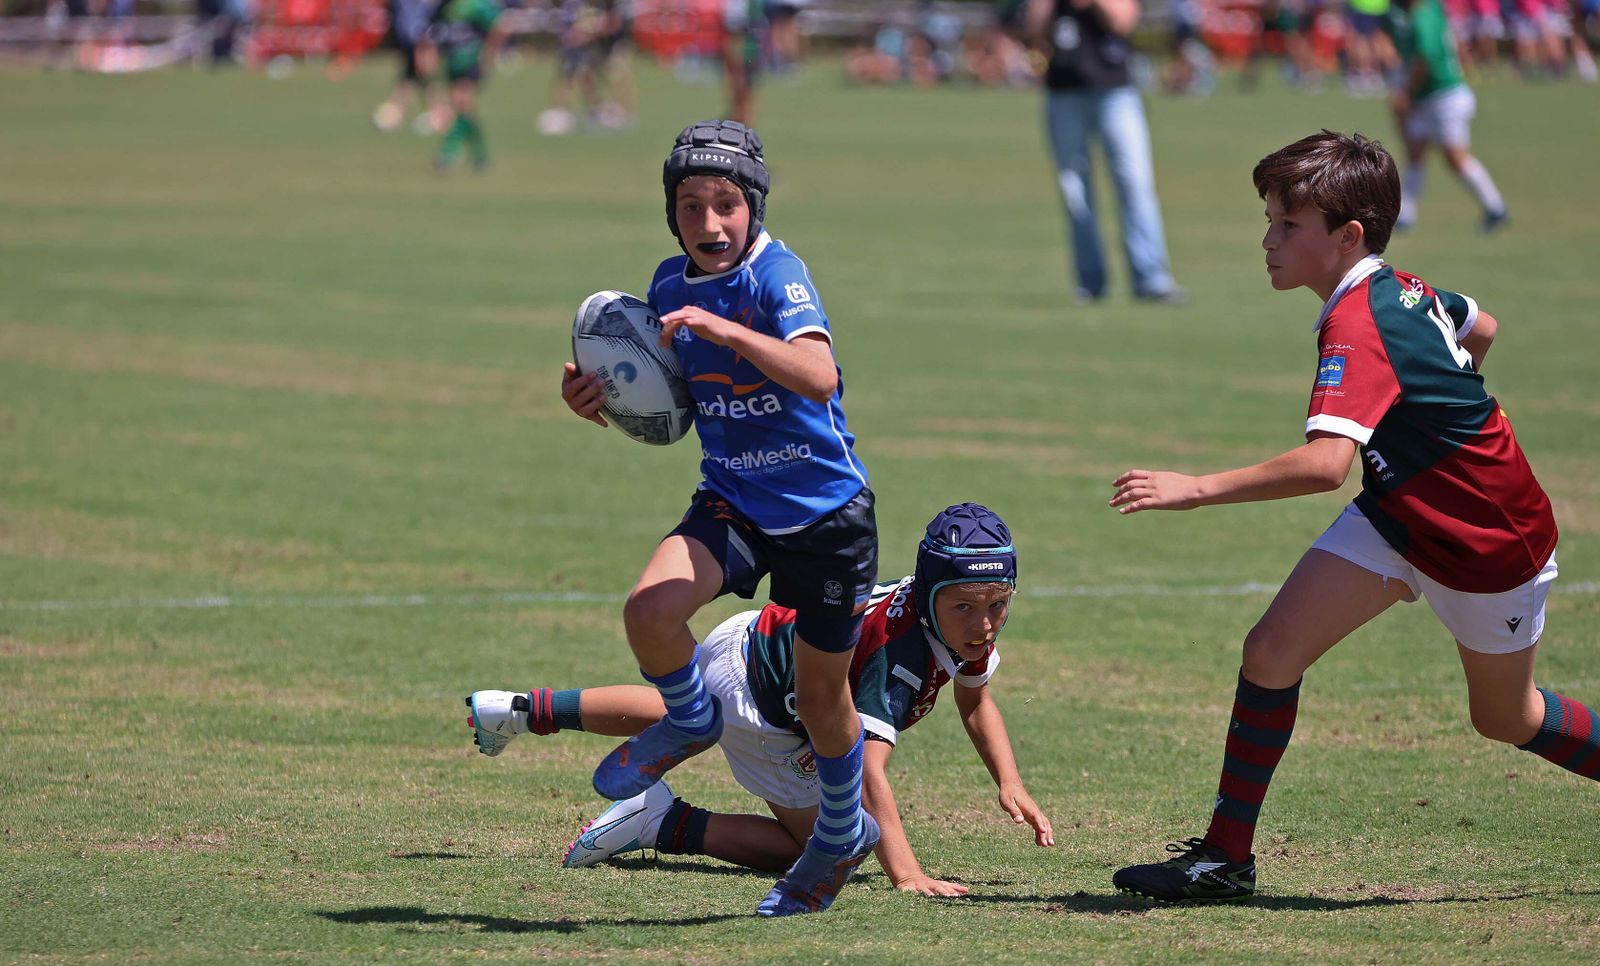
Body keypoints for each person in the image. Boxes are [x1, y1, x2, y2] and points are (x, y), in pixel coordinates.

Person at [1107, 131, 1589, 901]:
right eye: (1269, 221)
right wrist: (1438, 421)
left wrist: (1192, 487)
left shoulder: (1359, 320)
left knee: (1507, 718)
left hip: (1486, 541)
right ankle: (1225, 858)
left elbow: (1326, 467)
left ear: (1348, 236)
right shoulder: (1393, 286)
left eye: (1287, 226)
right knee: (1269, 651)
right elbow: (1479, 326)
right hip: (1401, 512)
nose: (1267, 240)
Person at [520, 120, 878, 917]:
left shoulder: (777, 275)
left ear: (751, 205)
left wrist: (728, 329)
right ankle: (689, 719)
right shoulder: (668, 284)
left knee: (823, 702)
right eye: (690, 208)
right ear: (671, 215)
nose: (710, 225)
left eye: (725, 205)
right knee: (650, 610)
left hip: (825, 513)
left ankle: (837, 838)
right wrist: (598, 399)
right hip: (734, 499)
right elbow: (669, 400)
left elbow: (819, 376)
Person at [466, 504, 1054, 895]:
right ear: (931, 595)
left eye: (998, 604)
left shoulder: (951, 625)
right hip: (768, 704)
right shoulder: (901, 654)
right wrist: (907, 873)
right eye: (967, 607)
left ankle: (523, 708)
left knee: (682, 711)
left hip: (752, 640)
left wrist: (1010, 781)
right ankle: (662, 823)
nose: (983, 623)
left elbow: (975, 701)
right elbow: (868, 771)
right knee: (836, 847)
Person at [1025, 0, 1186, 304]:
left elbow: (1123, 20)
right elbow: (1033, 28)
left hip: (1114, 90)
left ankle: (1151, 277)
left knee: (1134, 183)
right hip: (1063, 91)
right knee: (1074, 190)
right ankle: (1090, 282)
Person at [1388, 0, 1509, 234]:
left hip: (1444, 96)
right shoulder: (1429, 8)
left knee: (1455, 157)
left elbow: (1427, 57)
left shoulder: (1423, 14)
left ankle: (1495, 207)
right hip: (1429, 97)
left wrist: (1406, 92)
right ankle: (1405, 216)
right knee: (1415, 151)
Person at [416, 0, 509, 172]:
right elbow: (432, 34)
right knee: (465, 110)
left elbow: (500, 26)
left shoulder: (476, 5)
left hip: (471, 62)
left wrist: (488, 54)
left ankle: (447, 153)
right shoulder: (442, 8)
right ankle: (481, 156)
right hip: (453, 64)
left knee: (461, 104)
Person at [372, 0, 447, 135]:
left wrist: (424, 49)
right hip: (411, 40)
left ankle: (437, 113)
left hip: (421, 39)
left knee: (422, 75)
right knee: (411, 77)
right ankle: (398, 111)